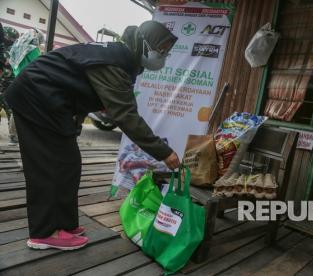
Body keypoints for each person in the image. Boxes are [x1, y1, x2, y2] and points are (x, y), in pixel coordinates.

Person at [5, 20, 181, 250]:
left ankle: (64, 224)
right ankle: (44, 232)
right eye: (162, 51)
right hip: (35, 98)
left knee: (69, 164)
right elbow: (126, 116)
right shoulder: (114, 62)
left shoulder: (121, 58)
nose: (164, 57)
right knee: (48, 167)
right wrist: (164, 153)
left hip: (52, 102)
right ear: (145, 45)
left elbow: (77, 87)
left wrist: (74, 124)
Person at [0, 26, 19, 145]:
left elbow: (8, 63)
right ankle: (13, 136)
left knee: (11, 110)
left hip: (8, 86)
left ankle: (13, 136)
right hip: (3, 85)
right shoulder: (4, 49)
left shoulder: (12, 50)